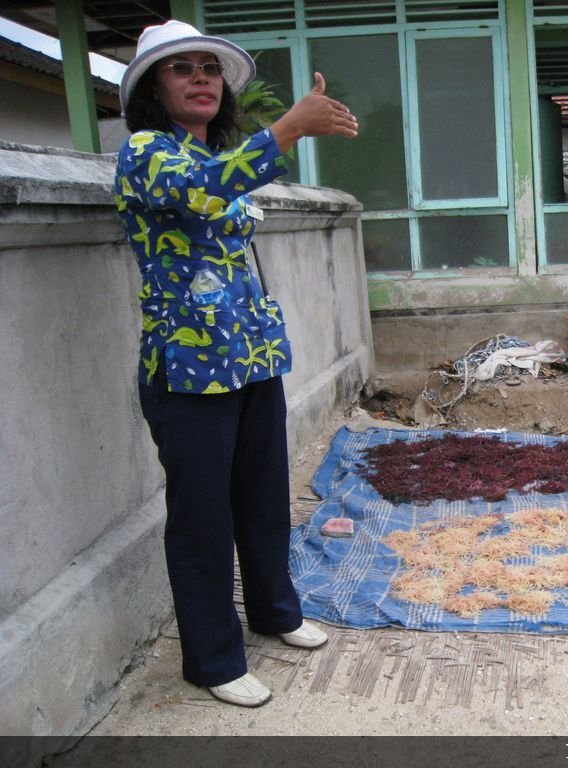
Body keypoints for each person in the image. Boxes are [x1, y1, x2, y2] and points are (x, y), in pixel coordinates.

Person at [113, 20, 359, 706]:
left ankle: (277, 614)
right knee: (201, 518)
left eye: (209, 68)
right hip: (188, 369)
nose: (200, 78)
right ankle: (214, 660)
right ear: (153, 89)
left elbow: (225, 183)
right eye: (181, 69)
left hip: (250, 356)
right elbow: (205, 188)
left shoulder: (214, 155)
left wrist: (279, 137)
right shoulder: (146, 153)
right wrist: (288, 129)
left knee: (261, 498)